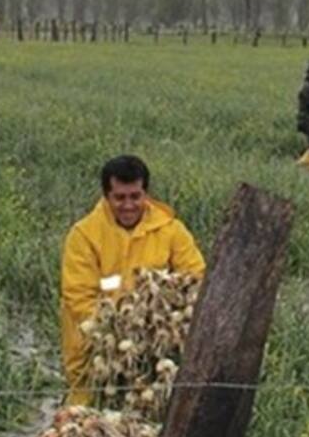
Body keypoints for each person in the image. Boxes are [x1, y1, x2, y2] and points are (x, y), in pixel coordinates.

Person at [59, 154, 205, 405]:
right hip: (94, 348)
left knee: (150, 411)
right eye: (120, 198)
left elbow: (197, 277)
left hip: (156, 349)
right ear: (106, 196)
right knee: (88, 415)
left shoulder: (171, 230)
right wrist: (117, 332)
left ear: (146, 193)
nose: (128, 205)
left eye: (135, 196)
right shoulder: (84, 235)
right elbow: (78, 297)